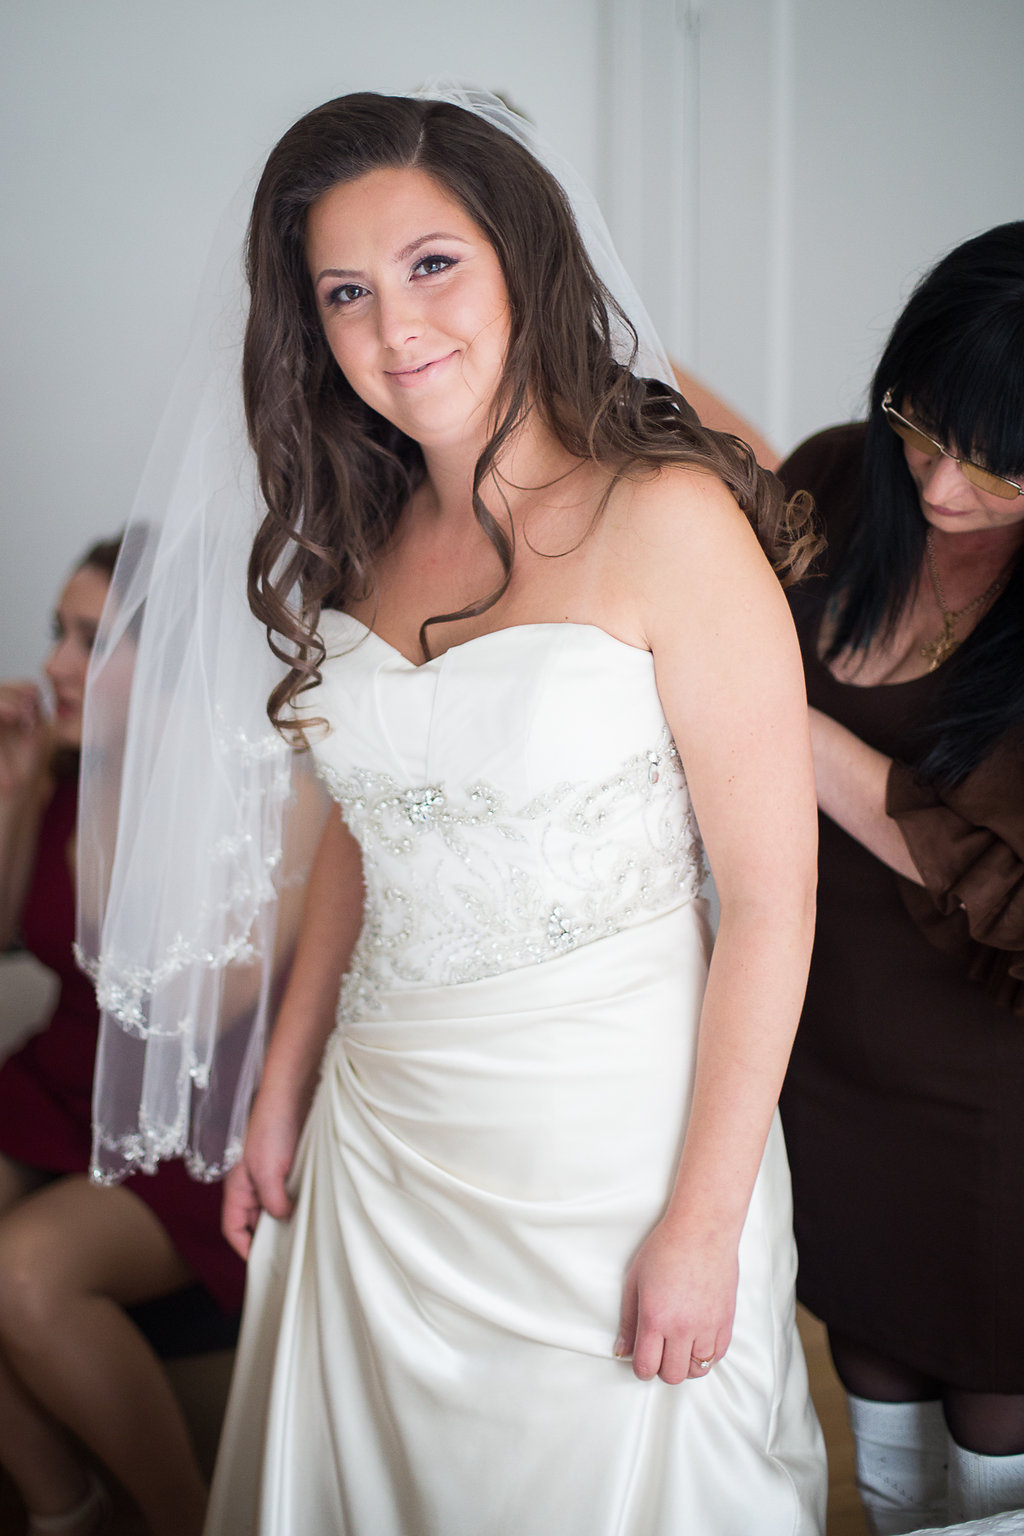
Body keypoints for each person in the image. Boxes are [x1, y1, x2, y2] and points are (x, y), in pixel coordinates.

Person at [82, 88, 827, 1534]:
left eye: (432, 266)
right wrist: (283, 1082)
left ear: (518, 263)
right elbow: (374, 824)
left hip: (611, 1155)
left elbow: (775, 900)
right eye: (344, 292)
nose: (393, 325)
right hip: (386, 1147)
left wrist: (703, 1218)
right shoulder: (359, 543)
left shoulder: (663, 517)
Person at [778, 222, 1024, 1533]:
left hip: (994, 1098)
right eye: (922, 431)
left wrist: (805, 740)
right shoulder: (832, 483)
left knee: (996, 1404)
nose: (941, 491)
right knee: (866, 1362)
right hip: (829, 1056)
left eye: (1003, 474)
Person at [0, 539, 244, 1536]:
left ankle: (184, 1516)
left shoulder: (240, 800)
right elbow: (11, 931)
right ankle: (67, 1508)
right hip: (57, 1080)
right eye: (60, 632)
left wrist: (122, 799)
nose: (57, 664)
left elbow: (182, 1006)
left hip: (181, 1123)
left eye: (94, 642)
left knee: (22, 1271)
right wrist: (19, 786)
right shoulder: (60, 770)